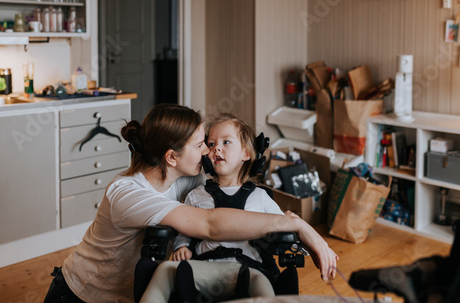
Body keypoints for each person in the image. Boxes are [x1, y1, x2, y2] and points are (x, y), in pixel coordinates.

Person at [44, 103, 338, 303]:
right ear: (171, 157)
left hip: (129, 294)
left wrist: (292, 223)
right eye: (202, 145)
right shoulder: (126, 193)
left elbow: (230, 197)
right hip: (81, 295)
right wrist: (296, 222)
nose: (209, 153)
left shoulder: (187, 180)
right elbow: (210, 224)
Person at [140, 112, 294, 302]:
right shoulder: (196, 195)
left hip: (246, 270)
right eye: (211, 144)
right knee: (165, 270)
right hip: (204, 267)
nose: (216, 149)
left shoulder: (260, 197)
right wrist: (182, 245)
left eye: (226, 142)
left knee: (264, 286)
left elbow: (281, 224)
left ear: (246, 153)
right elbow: (184, 230)